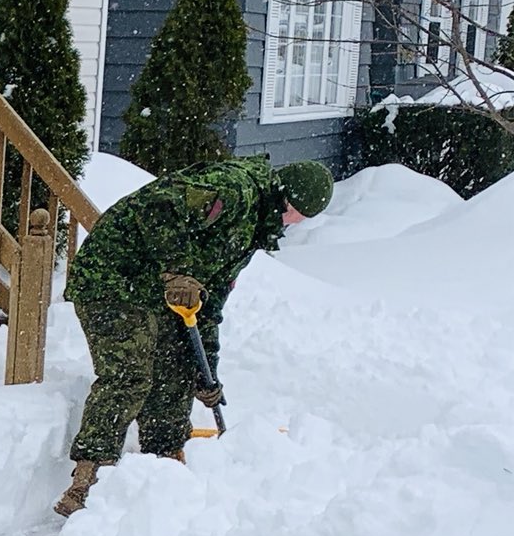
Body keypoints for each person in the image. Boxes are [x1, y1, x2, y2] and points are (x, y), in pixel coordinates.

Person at [53, 156, 332, 515]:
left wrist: (206, 372)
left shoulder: (254, 228)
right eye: (297, 215)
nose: (295, 224)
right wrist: (178, 270)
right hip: (113, 277)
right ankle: (87, 481)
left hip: (158, 291)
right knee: (130, 375)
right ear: (286, 199)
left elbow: (208, 304)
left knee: (177, 367)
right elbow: (159, 207)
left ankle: (165, 466)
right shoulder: (234, 189)